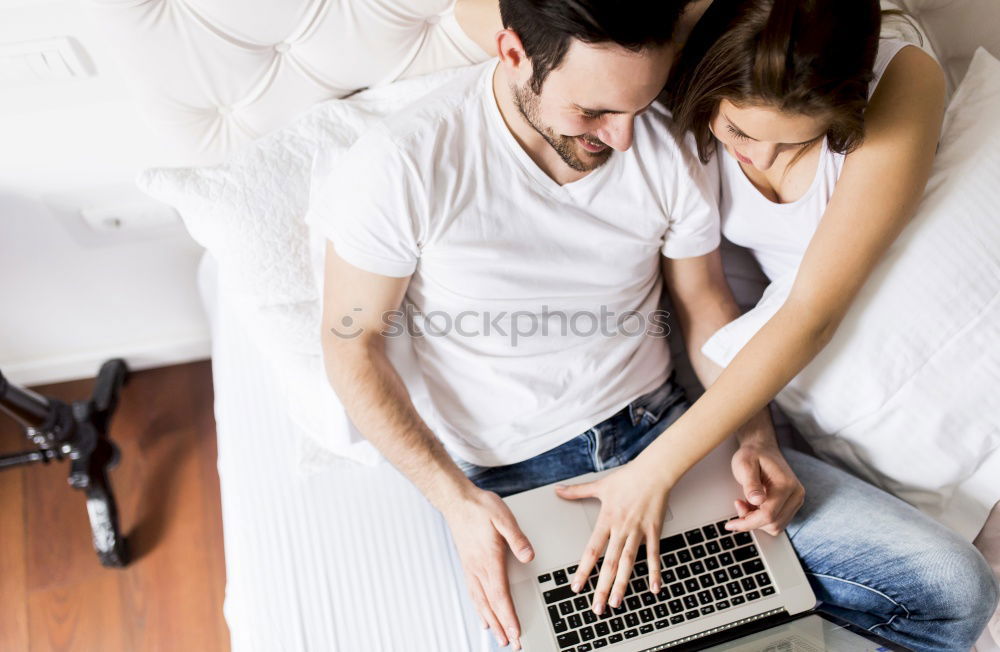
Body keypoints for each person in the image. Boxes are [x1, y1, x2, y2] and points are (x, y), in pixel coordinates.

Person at [311, 1, 997, 651]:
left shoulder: (668, 140)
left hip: (666, 431)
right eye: (595, 110)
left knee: (954, 587)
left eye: (638, 106)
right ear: (515, 54)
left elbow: (704, 304)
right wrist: (456, 502)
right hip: (522, 481)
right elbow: (352, 347)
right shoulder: (405, 162)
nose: (623, 136)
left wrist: (752, 434)